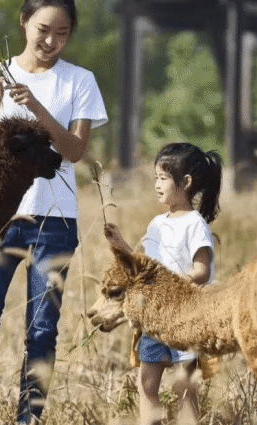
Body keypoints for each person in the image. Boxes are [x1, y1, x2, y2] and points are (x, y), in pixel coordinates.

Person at [0, 0, 108, 425]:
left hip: (56, 221)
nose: (50, 40)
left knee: (42, 329)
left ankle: (30, 419)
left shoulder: (81, 81)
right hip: (0, 221)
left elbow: (76, 151)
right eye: (43, 29)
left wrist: (39, 108)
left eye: (62, 33)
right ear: (24, 23)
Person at [104, 143, 222, 425]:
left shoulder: (195, 224)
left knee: (184, 386)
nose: (156, 184)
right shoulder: (156, 224)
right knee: (146, 384)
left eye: (163, 178)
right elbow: (144, 267)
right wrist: (121, 245)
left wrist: (176, 284)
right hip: (153, 320)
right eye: (155, 177)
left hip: (185, 319)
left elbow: (202, 270)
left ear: (186, 182)